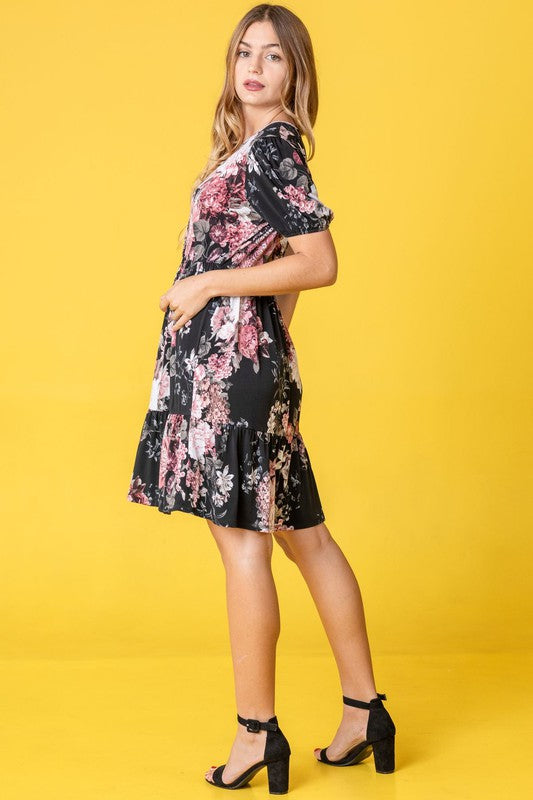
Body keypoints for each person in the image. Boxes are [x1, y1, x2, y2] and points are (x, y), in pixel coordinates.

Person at [126, 3, 396, 793]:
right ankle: (362, 711)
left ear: (294, 74)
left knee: (244, 544)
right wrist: (271, 350)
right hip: (241, 367)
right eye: (245, 53)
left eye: (273, 57)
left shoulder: (273, 148)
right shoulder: (246, 150)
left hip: (229, 373)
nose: (255, 67)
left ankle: (256, 735)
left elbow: (317, 261)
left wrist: (211, 284)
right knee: (303, 533)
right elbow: (283, 268)